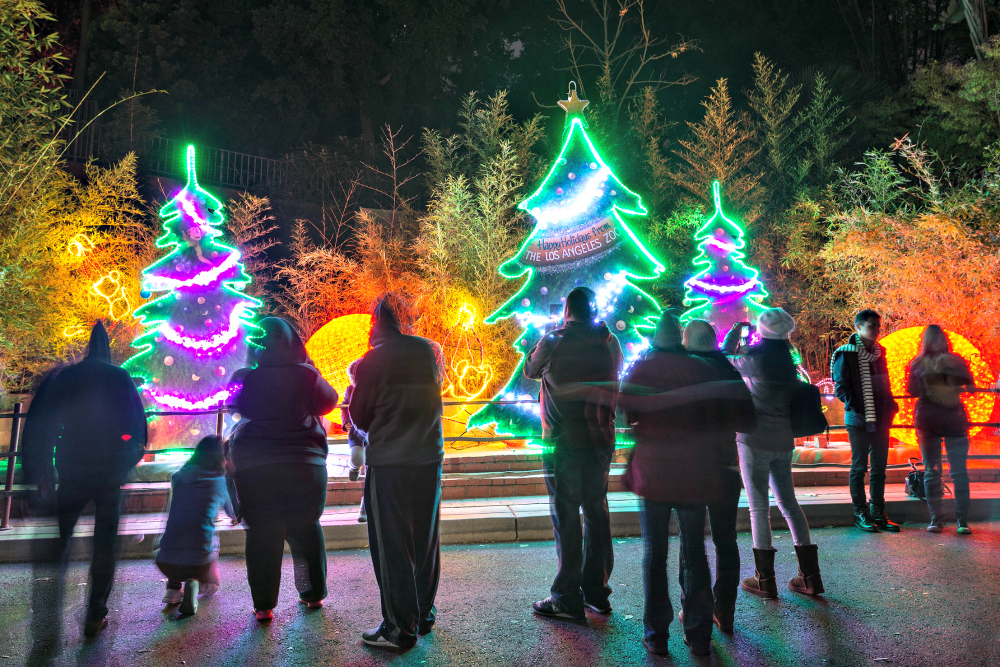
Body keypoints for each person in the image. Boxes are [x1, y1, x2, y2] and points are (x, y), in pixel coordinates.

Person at [622, 314, 755, 656]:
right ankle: (699, 635)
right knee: (695, 551)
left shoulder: (643, 369)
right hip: (695, 474)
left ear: (654, 340)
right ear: (679, 340)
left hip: (653, 476)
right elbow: (733, 415)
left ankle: (656, 636)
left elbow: (624, 412)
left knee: (655, 555)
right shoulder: (702, 369)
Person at [22, 321, 147, 639]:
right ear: (107, 348)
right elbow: (137, 427)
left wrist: (41, 474)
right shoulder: (120, 377)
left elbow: (43, 425)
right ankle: (95, 614)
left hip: (71, 472)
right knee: (104, 547)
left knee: (59, 544)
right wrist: (124, 459)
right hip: (108, 476)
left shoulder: (68, 377)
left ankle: (46, 622)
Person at [349, 293, 445, 649]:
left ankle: (398, 628)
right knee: (425, 541)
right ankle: (423, 615)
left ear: (378, 321)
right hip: (429, 458)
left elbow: (358, 414)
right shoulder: (425, 351)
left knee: (392, 546)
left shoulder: (374, 359)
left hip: (390, 461)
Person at [524, 287, 623, 623]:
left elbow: (530, 371)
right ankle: (596, 593)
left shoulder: (553, 341)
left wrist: (532, 349)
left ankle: (567, 597)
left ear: (566, 309)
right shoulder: (610, 342)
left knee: (566, 516)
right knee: (596, 512)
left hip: (563, 442)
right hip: (599, 440)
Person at [229, 317, 338, 622]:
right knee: (305, 529)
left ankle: (264, 606)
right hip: (305, 464)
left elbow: (236, 403)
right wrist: (309, 368)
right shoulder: (306, 375)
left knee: (262, 534)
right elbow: (329, 403)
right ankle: (311, 594)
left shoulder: (246, 377)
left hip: (255, 466)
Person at [723, 308, 824, 599]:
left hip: (754, 441)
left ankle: (764, 578)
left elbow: (724, 359)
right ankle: (810, 577)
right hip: (783, 442)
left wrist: (734, 334)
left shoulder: (753, 359)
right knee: (789, 504)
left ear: (761, 331)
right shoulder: (788, 362)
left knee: (758, 508)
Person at [682, 319, 754, 634]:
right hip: (725, 467)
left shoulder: (680, 373)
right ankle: (725, 610)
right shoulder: (729, 372)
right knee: (726, 540)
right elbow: (749, 420)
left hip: (690, 469)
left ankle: (694, 610)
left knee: (691, 541)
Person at [831, 309, 901, 533]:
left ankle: (878, 511)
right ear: (858, 327)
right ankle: (860, 512)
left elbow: (885, 383)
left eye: (879, 326)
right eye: (872, 326)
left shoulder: (881, 353)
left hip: (881, 417)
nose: (877, 330)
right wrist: (857, 407)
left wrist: (890, 407)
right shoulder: (846, 353)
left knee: (880, 467)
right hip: (858, 418)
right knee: (859, 466)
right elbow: (841, 387)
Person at [156, 435, 237, 615]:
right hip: (199, 562)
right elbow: (233, 513)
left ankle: (173, 589)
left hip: (165, 560)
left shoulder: (177, 477)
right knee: (210, 543)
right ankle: (197, 583)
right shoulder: (219, 482)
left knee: (179, 531)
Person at [906, 325, 976, 534]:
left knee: (952, 472)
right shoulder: (919, 363)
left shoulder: (923, 362)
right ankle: (945, 519)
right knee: (937, 471)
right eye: (936, 339)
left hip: (941, 420)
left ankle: (953, 519)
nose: (940, 342)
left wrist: (949, 372)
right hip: (937, 420)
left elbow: (971, 387)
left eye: (941, 338)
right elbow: (911, 391)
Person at [342, 358, 367, 522]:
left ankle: (364, 508)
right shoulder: (350, 390)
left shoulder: (372, 389)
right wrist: (346, 423)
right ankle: (354, 467)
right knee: (357, 457)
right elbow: (344, 407)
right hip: (357, 434)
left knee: (371, 474)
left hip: (372, 434)